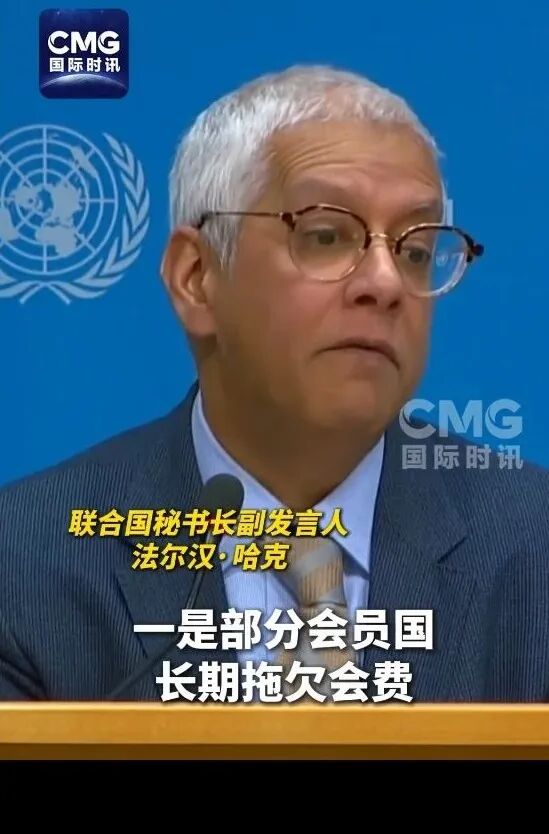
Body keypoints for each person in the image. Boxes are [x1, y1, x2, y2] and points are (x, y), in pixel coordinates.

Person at [1, 65, 548, 703]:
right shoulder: (25, 561)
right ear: (197, 277)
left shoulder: (532, 546)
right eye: (326, 235)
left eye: (415, 251)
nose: (386, 283)